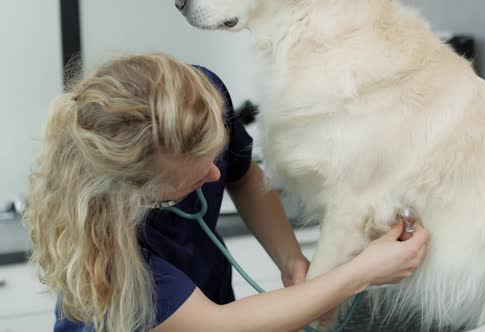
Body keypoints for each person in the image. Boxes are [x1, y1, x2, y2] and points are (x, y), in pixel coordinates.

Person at [24, 53, 429, 332]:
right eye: (192, 175)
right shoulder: (108, 257)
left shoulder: (198, 100)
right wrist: (363, 272)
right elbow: (219, 325)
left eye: (211, 154)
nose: (213, 171)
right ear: (138, 192)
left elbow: (242, 174)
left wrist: (291, 262)